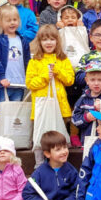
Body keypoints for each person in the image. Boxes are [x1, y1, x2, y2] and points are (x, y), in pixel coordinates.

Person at [26, 25, 75, 164]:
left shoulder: (63, 59)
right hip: (41, 106)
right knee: (41, 135)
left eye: (52, 39)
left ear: (57, 41)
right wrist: (44, 77)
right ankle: (39, 164)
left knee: (59, 136)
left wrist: (58, 71)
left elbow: (70, 80)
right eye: (45, 39)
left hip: (60, 106)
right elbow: (30, 83)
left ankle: (60, 163)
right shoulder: (35, 61)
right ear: (39, 42)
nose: (48, 43)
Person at [0, 5, 30, 102]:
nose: (12, 23)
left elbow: (28, 61)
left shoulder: (23, 40)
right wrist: (1, 77)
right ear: (0, 23)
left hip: (19, 84)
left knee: (15, 114)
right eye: (8, 21)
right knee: (3, 113)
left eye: (15, 20)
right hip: (3, 84)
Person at [72, 61, 101, 144]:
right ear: (86, 81)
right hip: (88, 140)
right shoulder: (83, 100)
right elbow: (74, 120)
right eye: (92, 80)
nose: (96, 83)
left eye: (100, 80)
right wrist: (86, 117)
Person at [74, 20, 101, 89]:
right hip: (90, 96)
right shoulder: (86, 57)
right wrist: (92, 74)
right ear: (91, 37)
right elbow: (78, 78)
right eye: (97, 35)